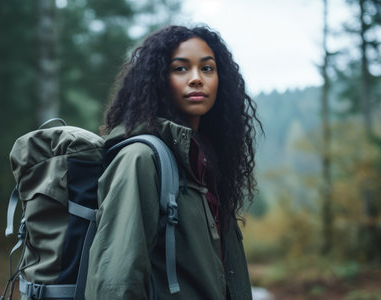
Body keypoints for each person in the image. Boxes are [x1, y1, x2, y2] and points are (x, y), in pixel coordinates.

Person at [85, 25, 260, 299]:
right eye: (180, 68)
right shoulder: (140, 159)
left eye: (207, 68)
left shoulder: (206, 162)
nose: (196, 79)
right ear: (158, 79)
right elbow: (115, 282)